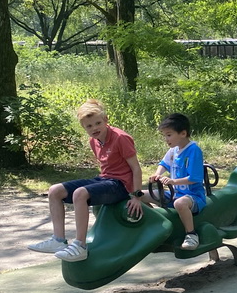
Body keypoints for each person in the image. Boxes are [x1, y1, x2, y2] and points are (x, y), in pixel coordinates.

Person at [27, 99, 144, 262]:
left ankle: (80, 245)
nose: (94, 128)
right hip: (105, 179)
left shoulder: (121, 138)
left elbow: (136, 169)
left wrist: (136, 196)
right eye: (89, 126)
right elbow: (105, 170)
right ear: (84, 127)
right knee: (55, 191)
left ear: (106, 120)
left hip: (121, 185)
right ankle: (58, 240)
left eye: (98, 123)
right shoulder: (93, 141)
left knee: (80, 193)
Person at [150, 113, 207, 251]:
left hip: (193, 196)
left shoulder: (193, 150)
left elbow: (195, 178)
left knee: (179, 203)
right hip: (175, 193)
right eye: (164, 135)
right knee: (141, 195)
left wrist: (172, 181)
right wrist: (157, 174)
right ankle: (153, 228)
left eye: (169, 135)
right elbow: (164, 163)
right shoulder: (173, 150)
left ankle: (191, 234)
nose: (166, 139)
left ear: (183, 133)